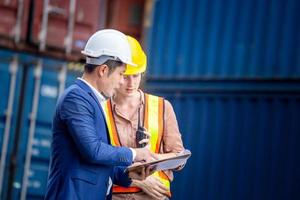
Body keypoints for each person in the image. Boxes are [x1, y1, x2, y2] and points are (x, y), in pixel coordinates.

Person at [45, 29, 157, 200]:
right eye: (121, 74)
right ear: (103, 70)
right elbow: (93, 151)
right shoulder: (76, 98)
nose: (122, 81)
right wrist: (136, 153)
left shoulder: (93, 101)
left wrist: (130, 174)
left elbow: (97, 163)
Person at [103, 36, 185, 200]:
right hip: (117, 196)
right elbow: (97, 159)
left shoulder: (162, 107)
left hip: (154, 195)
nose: (131, 83)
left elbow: (179, 158)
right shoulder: (101, 110)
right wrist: (136, 178)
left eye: (136, 76)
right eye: (125, 76)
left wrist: (149, 157)